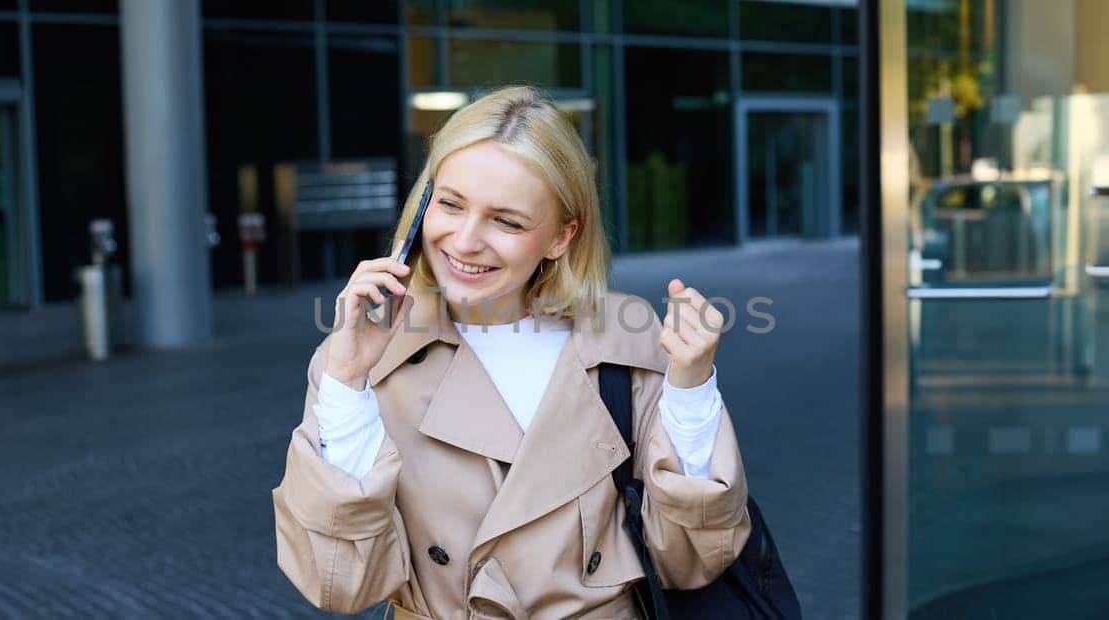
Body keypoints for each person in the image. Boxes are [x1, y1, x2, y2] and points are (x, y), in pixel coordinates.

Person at [272, 85, 750, 619]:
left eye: (507, 221)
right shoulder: (362, 354)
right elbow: (339, 585)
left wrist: (691, 388)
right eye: (450, 204)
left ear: (561, 237)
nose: (465, 241)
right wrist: (346, 378)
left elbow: (691, 560)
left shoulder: (628, 338)